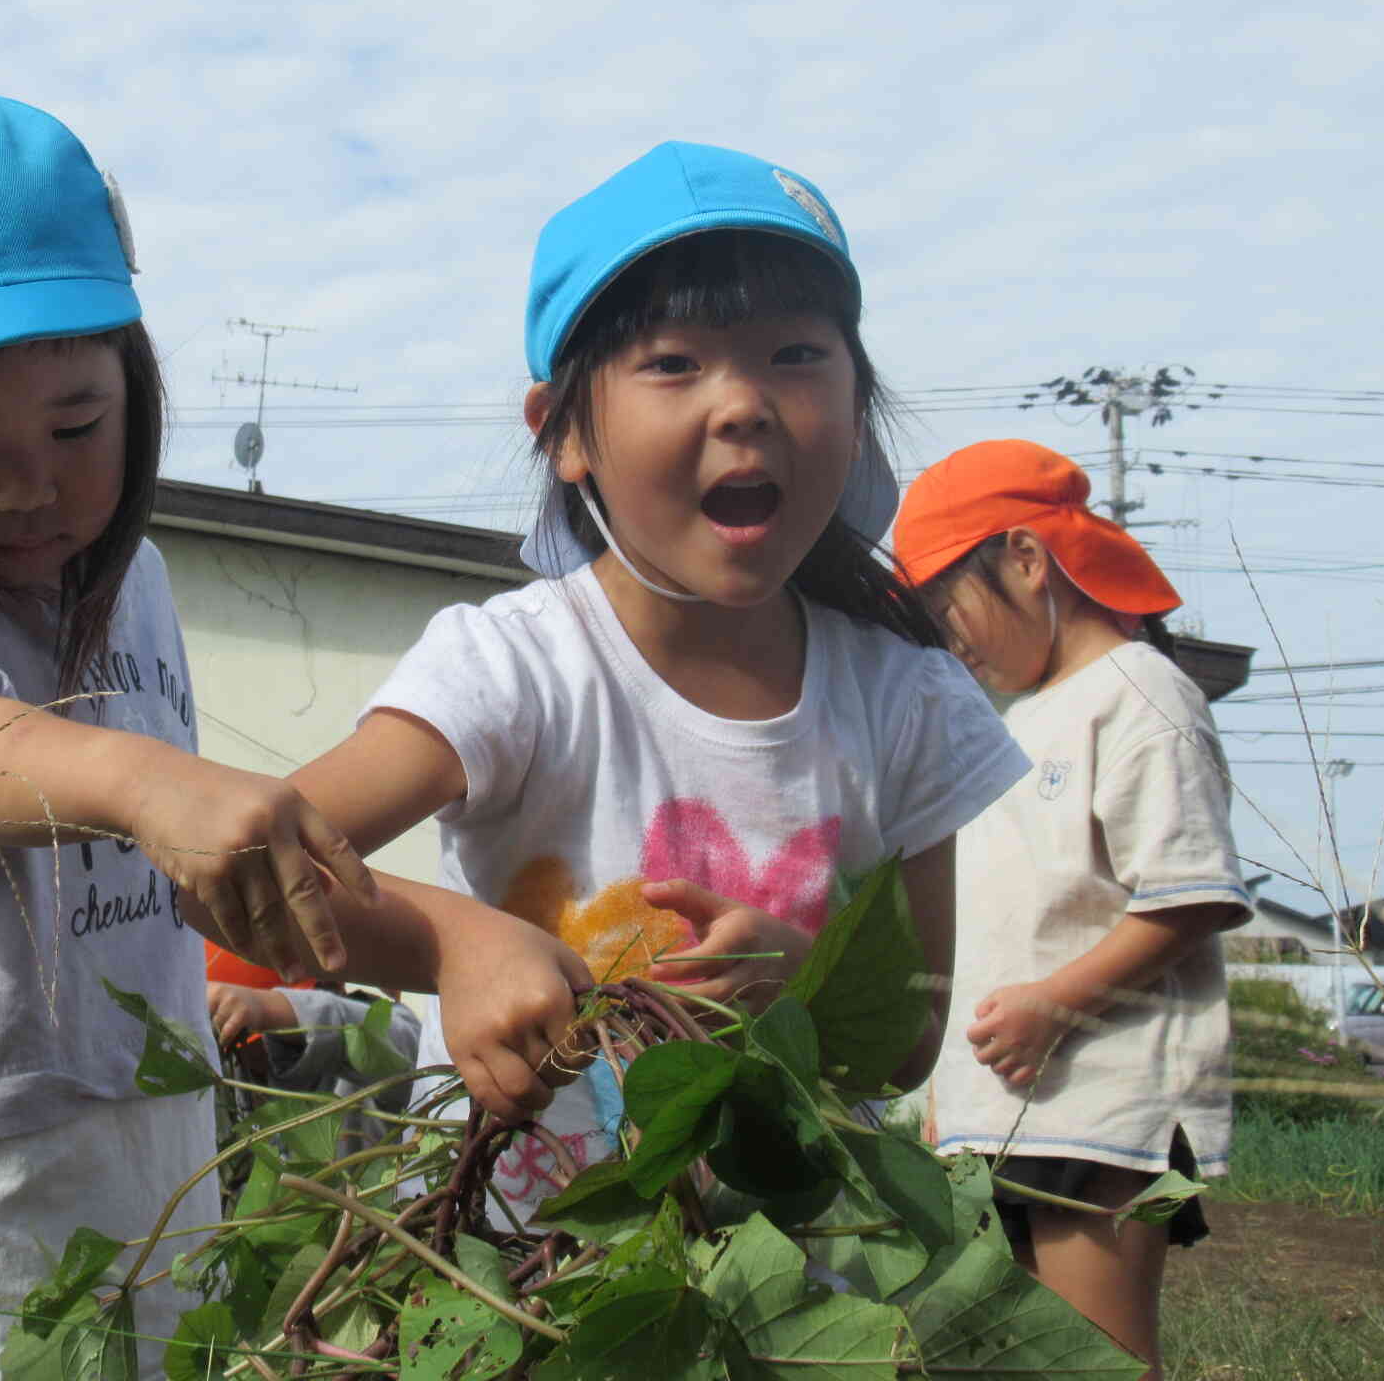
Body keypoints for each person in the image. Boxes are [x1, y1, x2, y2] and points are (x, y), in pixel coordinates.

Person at [0, 95, 588, 1380]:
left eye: (76, 425)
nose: (30, 481)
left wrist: (455, 937)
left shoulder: (137, 591)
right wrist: (140, 780)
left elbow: (211, 887)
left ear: (137, 385)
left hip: (145, 1173)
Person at [289, 142, 1031, 1219]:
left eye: (792, 354)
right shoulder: (514, 667)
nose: (742, 405)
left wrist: (804, 982)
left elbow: (906, 1048)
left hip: (803, 1296)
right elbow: (268, 863)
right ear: (562, 436)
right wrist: (458, 941)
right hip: (516, 1271)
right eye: (674, 363)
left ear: (857, 407)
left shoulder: (905, 699)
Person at [893, 439, 1250, 1381]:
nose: (949, 637)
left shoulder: (1141, 695)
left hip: (1105, 1104)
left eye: (947, 604)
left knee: (1096, 1360)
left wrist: (1055, 1005)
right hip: (1005, 1110)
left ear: (1024, 558)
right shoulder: (1020, 722)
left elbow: (1193, 896)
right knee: (1006, 1361)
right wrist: (947, 1094)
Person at [205, 941, 422, 1146]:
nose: (277, 1054)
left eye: (282, 1038)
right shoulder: (230, 1091)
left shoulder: (386, 1031)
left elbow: (405, 1050)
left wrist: (267, 1009)